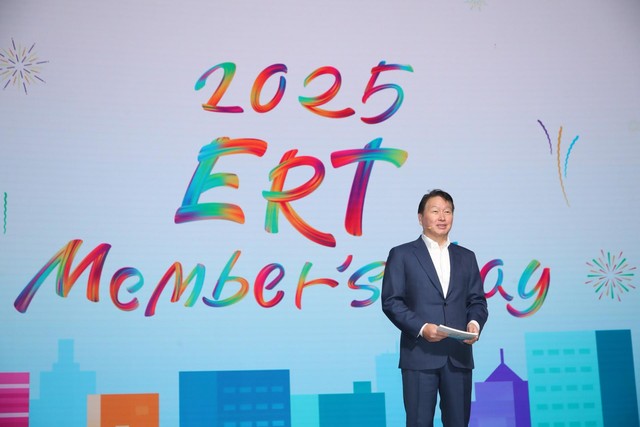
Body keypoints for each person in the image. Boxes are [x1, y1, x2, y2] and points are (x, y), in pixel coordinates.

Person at [381, 189, 488, 427]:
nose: (442, 217)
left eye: (447, 211)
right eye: (435, 211)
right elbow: (391, 301)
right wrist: (421, 328)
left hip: (458, 357)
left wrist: (474, 324)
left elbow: (477, 301)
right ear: (421, 218)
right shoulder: (402, 254)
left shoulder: (467, 257)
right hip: (420, 355)